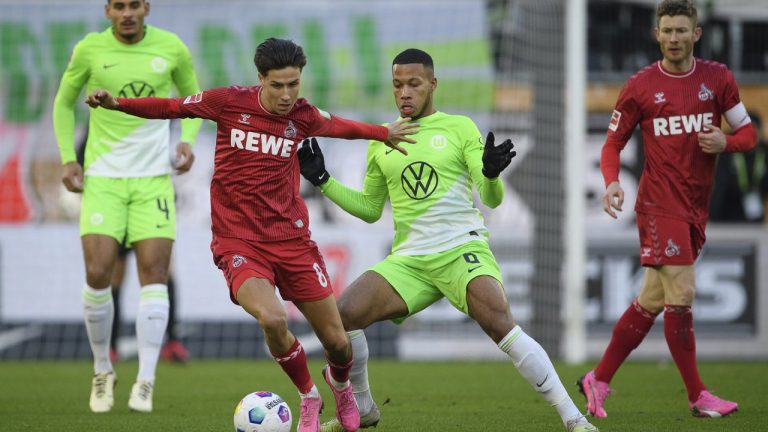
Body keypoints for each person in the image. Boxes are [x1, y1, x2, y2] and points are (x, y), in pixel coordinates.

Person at [84, 37, 418, 432]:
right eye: (277, 85)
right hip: (238, 241)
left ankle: (341, 388)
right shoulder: (227, 102)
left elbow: (342, 127)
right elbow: (170, 107)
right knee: (273, 319)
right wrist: (117, 104)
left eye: (293, 84)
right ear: (260, 78)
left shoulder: (304, 115)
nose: (286, 94)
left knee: (339, 343)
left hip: (293, 241)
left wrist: (383, 133)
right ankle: (309, 396)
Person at [298, 48, 598, 432]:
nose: (404, 93)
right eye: (397, 85)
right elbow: (372, 208)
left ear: (432, 84)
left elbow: (491, 198)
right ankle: (365, 406)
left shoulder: (459, 128)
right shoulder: (382, 141)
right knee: (344, 316)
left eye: (413, 84)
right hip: (410, 261)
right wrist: (323, 180)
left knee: (499, 321)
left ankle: (573, 419)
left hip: (461, 249)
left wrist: (490, 174)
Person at [578, 0, 757, 420]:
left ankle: (598, 379)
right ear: (656, 34)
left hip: (696, 207)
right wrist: (611, 182)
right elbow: (611, 144)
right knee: (684, 293)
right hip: (659, 205)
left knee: (652, 299)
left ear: (696, 34)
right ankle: (698, 395)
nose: (674, 38)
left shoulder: (718, 79)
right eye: (667, 31)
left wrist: (725, 143)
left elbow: (748, 134)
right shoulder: (641, 86)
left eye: (681, 30)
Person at [53, 0, 202, 414]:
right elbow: (64, 103)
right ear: (108, 11)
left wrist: (186, 139)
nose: (127, 13)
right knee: (99, 273)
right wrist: (69, 157)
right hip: (103, 181)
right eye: (119, 6)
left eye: (134, 4)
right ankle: (103, 369)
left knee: (155, 274)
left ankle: (146, 380)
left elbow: (195, 99)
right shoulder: (89, 50)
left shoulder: (172, 48)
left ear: (146, 8)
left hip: (153, 180)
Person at [709, 112, 768, 223]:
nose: (752, 138)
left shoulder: (764, 153)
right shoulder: (729, 153)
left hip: (755, 216)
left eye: (755, 132)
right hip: (728, 216)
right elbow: (721, 186)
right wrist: (713, 217)